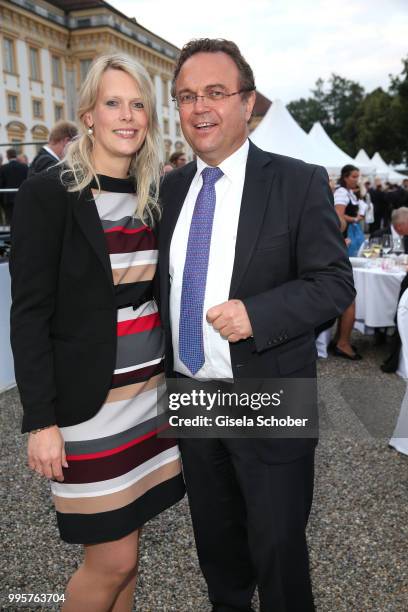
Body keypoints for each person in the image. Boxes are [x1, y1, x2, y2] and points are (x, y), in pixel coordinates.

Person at [159, 38, 355, 612]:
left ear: (248, 104)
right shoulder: (171, 190)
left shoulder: (296, 182)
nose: (200, 108)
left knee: (279, 557)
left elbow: (334, 283)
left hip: (270, 395)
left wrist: (258, 313)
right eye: (187, 96)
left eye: (216, 93)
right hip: (193, 397)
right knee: (218, 555)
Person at [10, 54, 184, 612]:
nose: (127, 116)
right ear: (87, 114)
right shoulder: (49, 192)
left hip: (148, 402)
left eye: (138, 105)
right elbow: (29, 313)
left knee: (129, 554)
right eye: (113, 103)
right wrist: (40, 419)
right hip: (89, 408)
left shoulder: (152, 191)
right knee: (111, 562)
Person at [332, 165, 363, 360]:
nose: (356, 179)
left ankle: (339, 339)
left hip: (345, 240)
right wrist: (353, 219)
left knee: (346, 292)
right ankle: (342, 342)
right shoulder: (342, 192)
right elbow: (338, 217)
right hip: (342, 242)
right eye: (353, 176)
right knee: (348, 293)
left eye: (358, 176)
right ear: (345, 177)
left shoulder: (349, 192)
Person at [0, 148, 28, 225]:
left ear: (8, 156)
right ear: (15, 155)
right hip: (22, 197)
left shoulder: (3, 168)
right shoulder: (25, 167)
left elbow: (1, 184)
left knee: (10, 220)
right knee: (23, 219)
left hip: (8, 199)